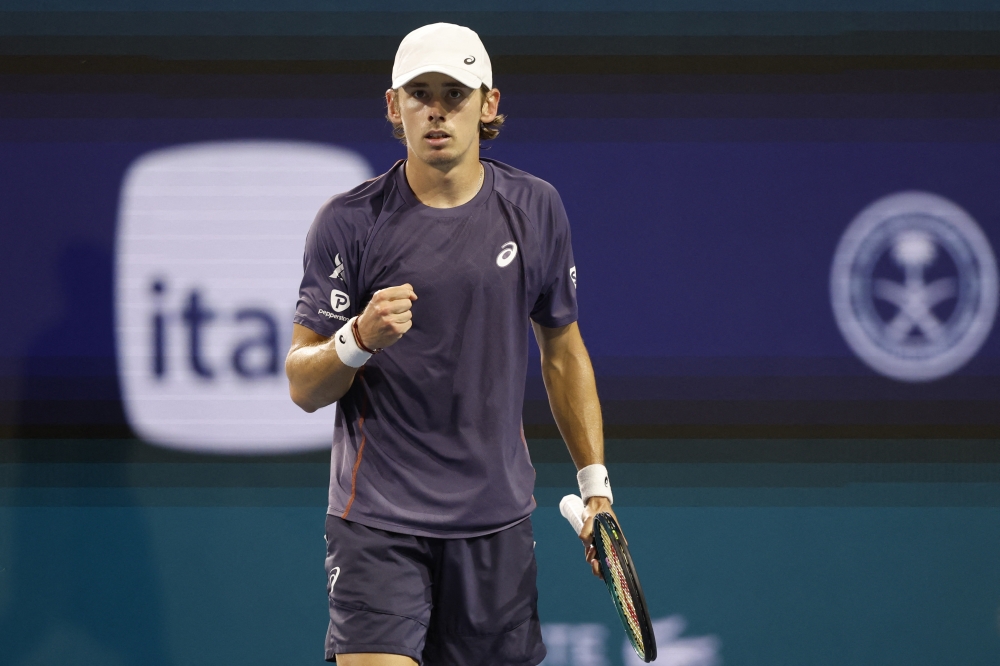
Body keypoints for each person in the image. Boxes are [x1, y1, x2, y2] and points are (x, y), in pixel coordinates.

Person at [286, 22, 616, 666]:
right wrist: (357, 339)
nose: (436, 110)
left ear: (488, 104)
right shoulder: (348, 222)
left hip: (495, 525)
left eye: (455, 94)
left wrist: (596, 484)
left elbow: (563, 350)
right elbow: (303, 385)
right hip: (376, 524)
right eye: (420, 93)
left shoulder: (537, 207)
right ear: (393, 106)